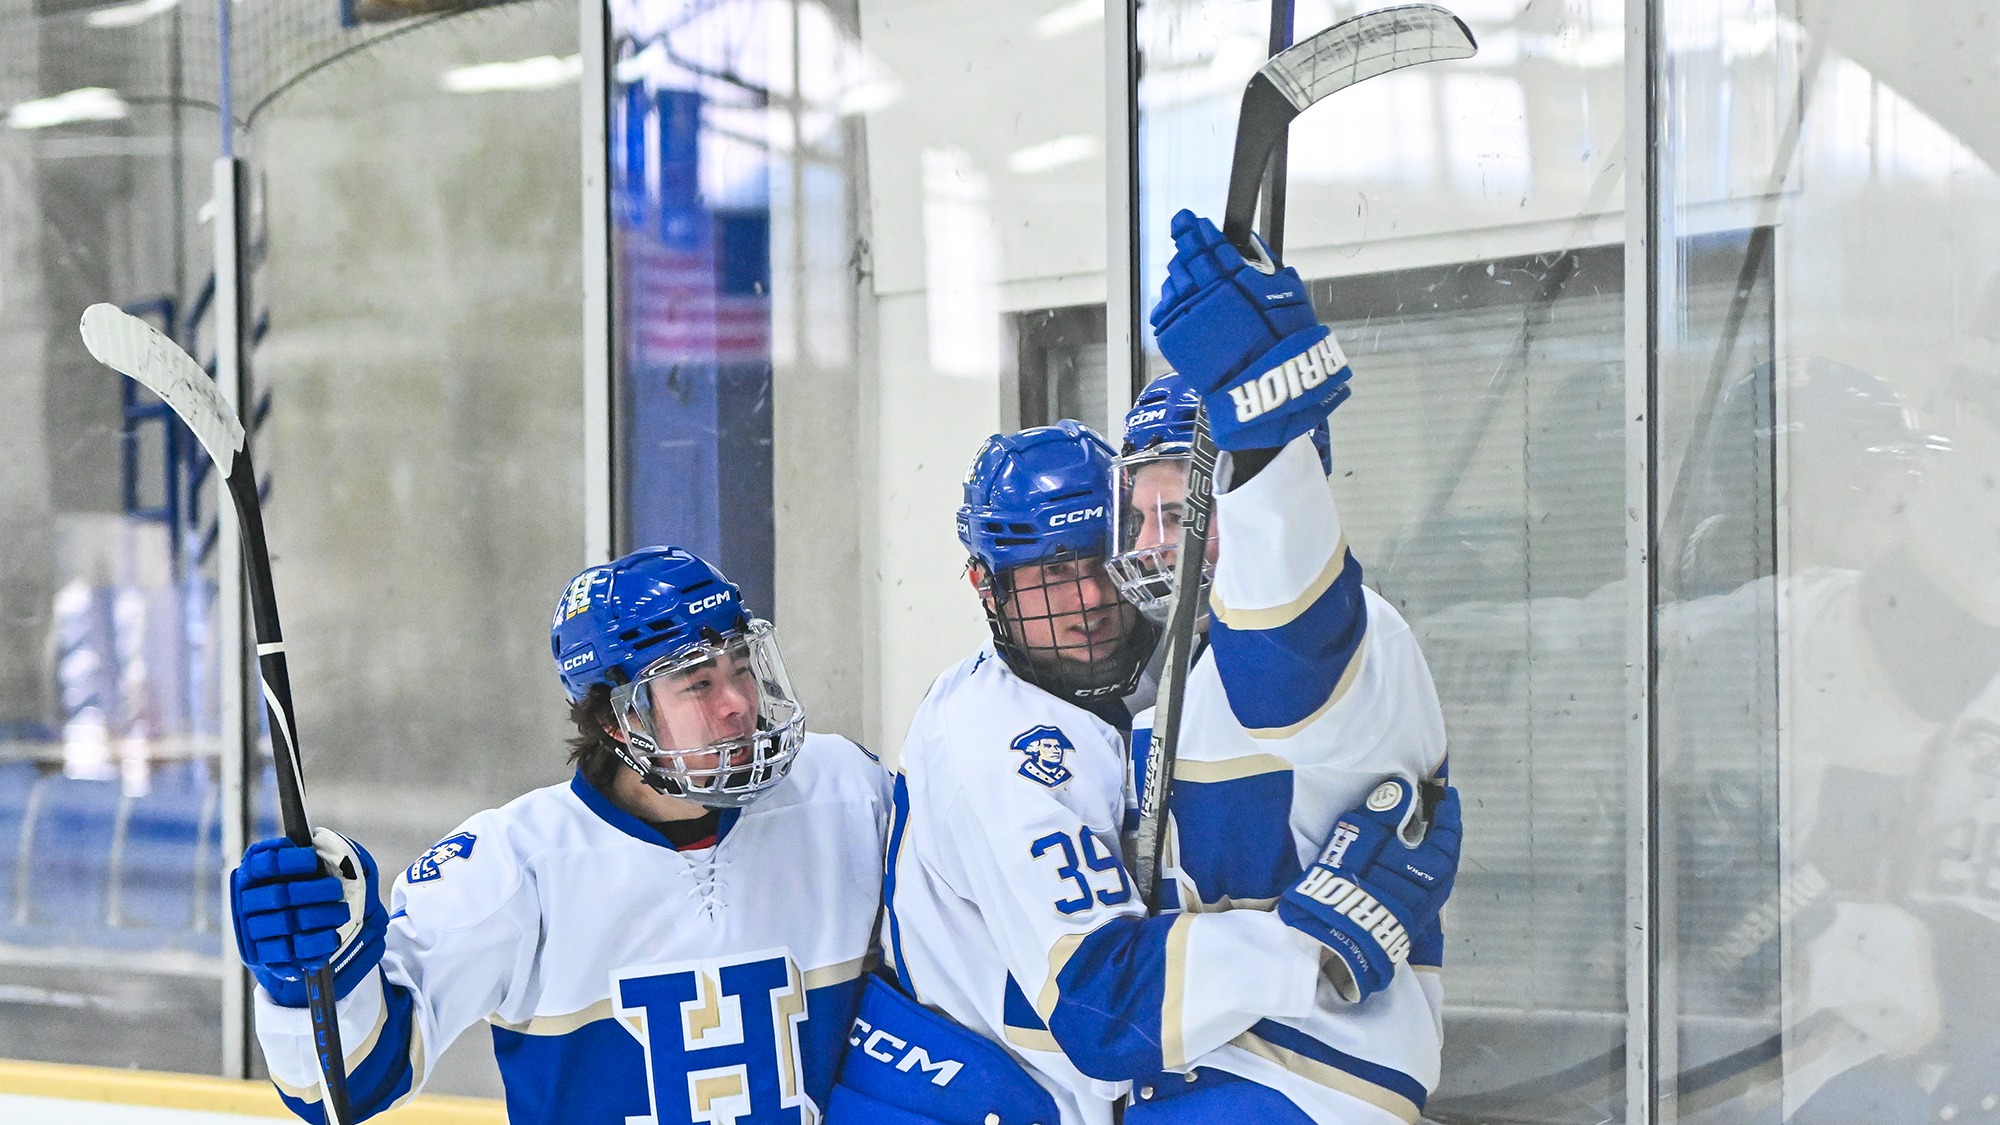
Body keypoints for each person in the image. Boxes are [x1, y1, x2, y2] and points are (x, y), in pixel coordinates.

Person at [827, 210, 1459, 1125]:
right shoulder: (1003, 732)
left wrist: (1267, 459)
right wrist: (1305, 947)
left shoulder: (1301, 643)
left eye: (1193, 507)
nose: (1106, 586)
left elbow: (1296, 663)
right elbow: (1106, 1004)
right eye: (1148, 513)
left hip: (1272, 1088)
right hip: (1001, 1093)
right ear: (987, 585)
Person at [229, 546, 891, 1124]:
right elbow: (339, 1088)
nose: (739, 703)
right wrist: (311, 973)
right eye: (698, 683)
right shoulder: (514, 865)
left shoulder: (846, 795)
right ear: (612, 717)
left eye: (742, 666)